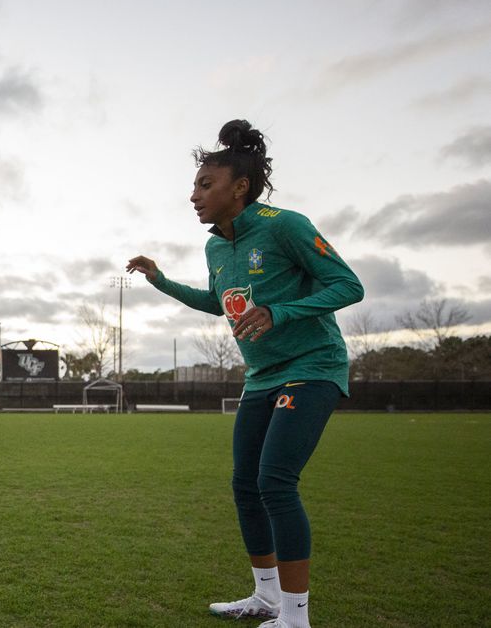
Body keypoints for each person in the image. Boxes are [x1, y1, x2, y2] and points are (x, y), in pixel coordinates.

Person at [126, 120, 363, 628]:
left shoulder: (285, 225)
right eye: (193, 185)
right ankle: (266, 597)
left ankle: (295, 618)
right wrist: (160, 280)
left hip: (312, 366)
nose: (193, 195)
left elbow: (349, 285)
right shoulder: (215, 247)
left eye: (204, 185)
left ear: (241, 187)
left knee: (275, 481)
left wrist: (282, 312)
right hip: (260, 376)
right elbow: (220, 304)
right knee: (244, 485)